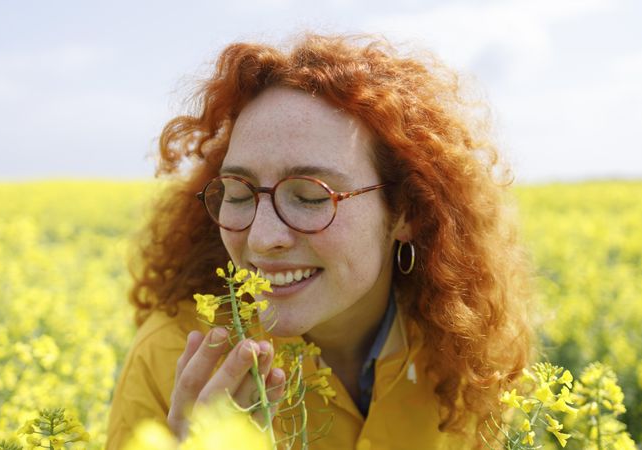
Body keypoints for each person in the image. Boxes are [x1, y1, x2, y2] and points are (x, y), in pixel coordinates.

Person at [106, 33, 532, 449]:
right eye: (238, 193)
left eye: (311, 196)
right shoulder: (169, 355)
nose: (263, 237)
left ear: (405, 210)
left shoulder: (466, 353)